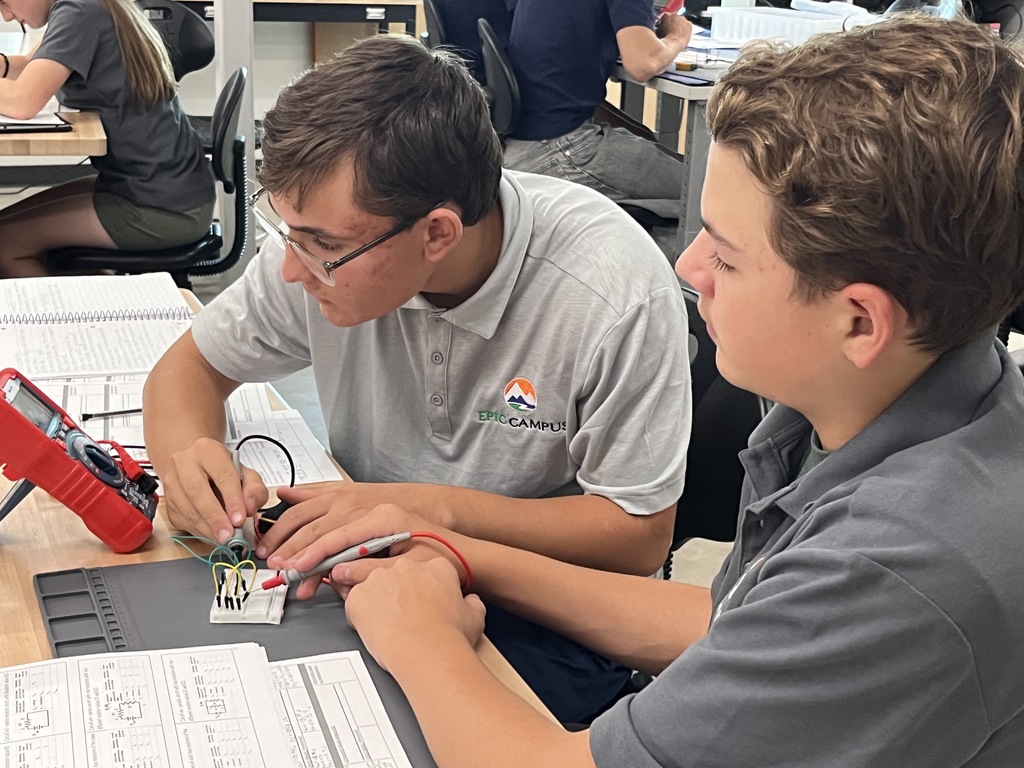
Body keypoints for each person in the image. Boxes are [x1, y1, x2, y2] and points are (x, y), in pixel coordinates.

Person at [267, 15, 1024, 766]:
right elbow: (723, 622)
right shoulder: (886, 401)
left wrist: (422, 637)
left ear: (860, 322)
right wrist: (454, 551)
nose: (687, 271)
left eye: (725, 259)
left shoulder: (894, 568)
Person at [142, 35, 691, 724]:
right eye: (289, 233)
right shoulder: (324, 242)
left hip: (536, 614)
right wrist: (190, 462)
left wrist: (427, 511)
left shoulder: (608, 292)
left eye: (322, 248)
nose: (291, 271)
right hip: (365, 577)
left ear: (436, 235)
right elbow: (187, 369)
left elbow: (637, 536)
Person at [0, 0, 215, 278]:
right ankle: (105, 304)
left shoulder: (78, 12)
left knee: (5, 244)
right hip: (164, 188)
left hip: (160, 207)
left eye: (4, 1)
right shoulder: (88, 5)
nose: (5, 15)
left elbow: (23, 101)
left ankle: (90, 319)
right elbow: (34, 65)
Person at [501, 0, 693, 221]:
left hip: (520, 146)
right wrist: (677, 37)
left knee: (654, 148)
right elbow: (643, 63)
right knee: (706, 188)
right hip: (562, 150)